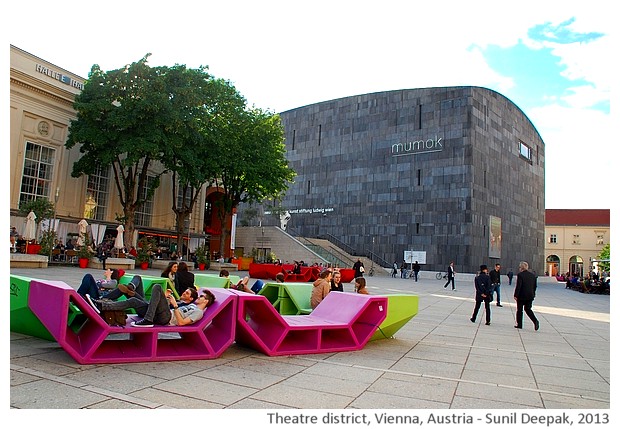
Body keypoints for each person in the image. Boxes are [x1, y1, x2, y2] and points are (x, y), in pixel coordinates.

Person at [95, 283, 215, 327]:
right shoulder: (192, 306)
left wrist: (175, 305)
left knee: (157, 287)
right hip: (160, 314)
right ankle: (102, 306)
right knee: (133, 301)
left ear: (205, 301)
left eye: (201, 296)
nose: (199, 297)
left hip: (167, 318)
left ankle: (148, 320)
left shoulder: (198, 312)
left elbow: (181, 323)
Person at [514, 261, 540, 331]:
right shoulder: (532, 275)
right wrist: (533, 294)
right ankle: (535, 321)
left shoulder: (520, 275)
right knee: (528, 309)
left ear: (521, 268)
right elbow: (535, 286)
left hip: (521, 295)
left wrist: (516, 295)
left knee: (519, 310)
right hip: (530, 295)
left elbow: (518, 286)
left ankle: (519, 324)